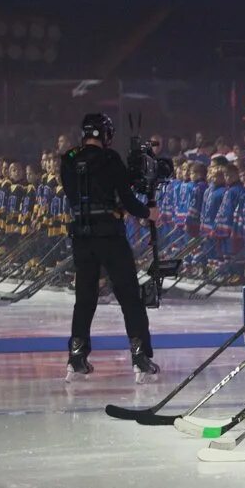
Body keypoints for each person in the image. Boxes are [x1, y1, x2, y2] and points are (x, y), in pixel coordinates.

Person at [60, 113, 158, 380]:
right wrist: (148, 213)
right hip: (109, 235)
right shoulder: (110, 159)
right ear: (105, 134)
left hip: (81, 236)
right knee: (128, 296)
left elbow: (73, 196)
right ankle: (140, 356)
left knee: (85, 298)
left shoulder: (67, 160)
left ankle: (77, 356)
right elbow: (127, 199)